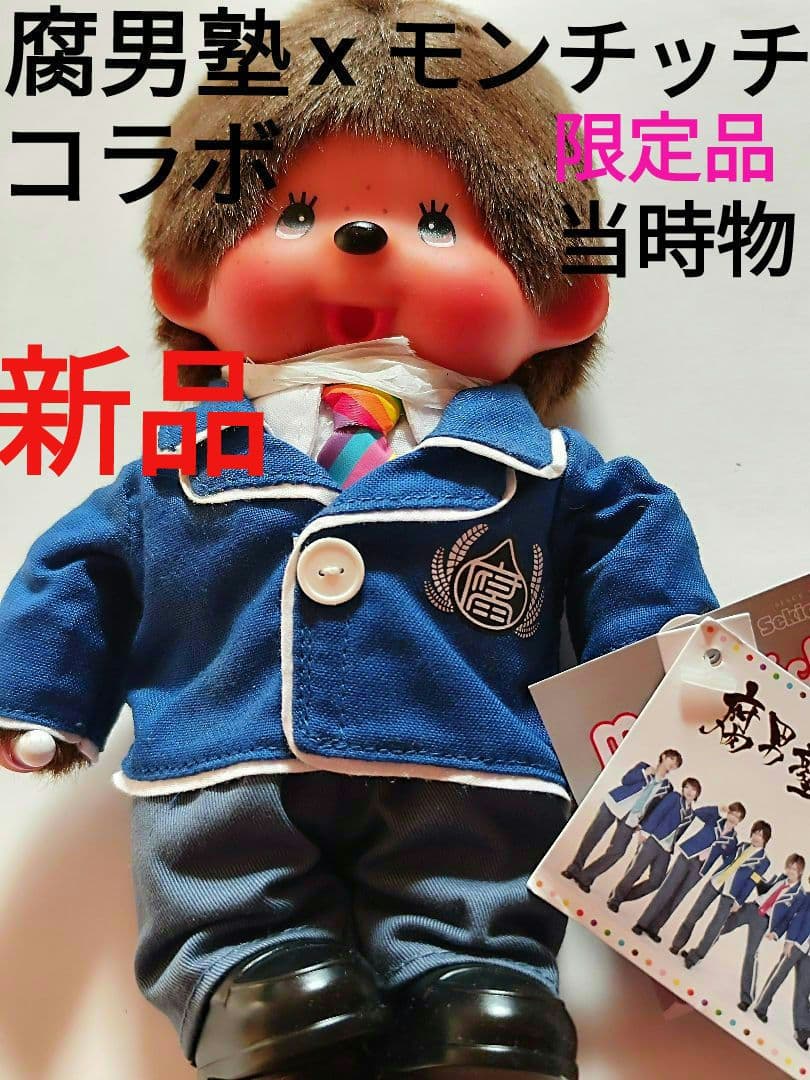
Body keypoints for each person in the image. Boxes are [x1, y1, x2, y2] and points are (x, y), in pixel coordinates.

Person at [0, 2, 718, 1078]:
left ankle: (475, 981)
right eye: (295, 214)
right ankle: (240, 975)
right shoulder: (175, 470)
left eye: (437, 221)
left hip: (469, 760)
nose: (362, 240)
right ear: (190, 284)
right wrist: (37, 692)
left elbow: (635, 557)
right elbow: (82, 568)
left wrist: (669, 695)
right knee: (219, 873)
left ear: (560, 301)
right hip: (228, 758)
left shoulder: (557, 477)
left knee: (474, 880)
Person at [562, 750, 683, 894]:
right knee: (592, 836)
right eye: (671, 759)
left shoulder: (667, 787)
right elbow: (625, 780)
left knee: (618, 851)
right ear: (663, 757)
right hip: (615, 804)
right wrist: (645, 773)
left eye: (676, 764)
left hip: (632, 818)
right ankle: (574, 868)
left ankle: (586, 877)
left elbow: (656, 808)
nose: (672, 764)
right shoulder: (643, 767)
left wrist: (642, 825)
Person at [632, 802, 746, 942]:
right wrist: (717, 808)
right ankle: (642, 923)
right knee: (667, 890)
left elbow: (729, 859)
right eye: (732, 813)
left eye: (737, 817)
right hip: (688, 856)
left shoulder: (733, 841)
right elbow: (697, 813)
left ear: (740, 821)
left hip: (700, 868)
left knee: (678, 896)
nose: (733, 818)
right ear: (728, 813)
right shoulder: (714, 819)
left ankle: (654, 928)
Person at [677, 821, 772, 966]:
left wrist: (739, 901)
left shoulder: (764, 862)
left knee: (715, 926)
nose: (756, 837)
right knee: (695, 911)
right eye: (755, 833)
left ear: (765, 839)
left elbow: (752, 882)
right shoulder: (742, 846)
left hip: (732, 893)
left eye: (760, 835)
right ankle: (678, 943)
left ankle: (695, 957)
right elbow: (727, 857)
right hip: (717, 881)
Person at [721, 853, 806, 1012]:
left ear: (800, 872)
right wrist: (756, 877)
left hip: (763, 920)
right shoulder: (781, 878)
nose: (790, 871)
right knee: (720, 926)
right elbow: (765, 890)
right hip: (751, 908)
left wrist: (776, 932)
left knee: (751, 954)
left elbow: (789, 918)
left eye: (795, 869)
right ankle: (695, 954)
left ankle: (746, 998)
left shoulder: (800, 895)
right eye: (789, 867)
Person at [607, 777, 701, 913]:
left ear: (697, 794)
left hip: (666, 849)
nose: (689, 791)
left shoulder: (691, 814)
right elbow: (659, 812)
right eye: (687, 787)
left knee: (656, 881)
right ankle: (615, 900)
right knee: (635, 871)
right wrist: (645, 832)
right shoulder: (674, 797)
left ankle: (621, 896)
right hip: (653, 839)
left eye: (693, 789)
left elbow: (679, 832)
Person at [754, 888, 810, 1050]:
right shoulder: (806, 897)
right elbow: (795, 917)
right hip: (796, 944)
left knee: (803, 989)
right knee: (779, 975)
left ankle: (802, 1029)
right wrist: (787, 939)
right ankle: (761, 1006)